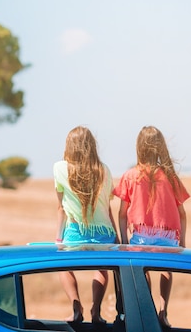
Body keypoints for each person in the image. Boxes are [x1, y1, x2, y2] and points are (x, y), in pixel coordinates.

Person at [114, 125, 189, 328]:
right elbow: (182, 214)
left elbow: (122, 214)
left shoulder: (131, 176)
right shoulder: (171, 177)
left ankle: (147, 311)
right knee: (166, 270)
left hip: (141, 236)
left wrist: (123, 241)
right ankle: (163, 310)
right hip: (168, 237)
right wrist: (182, 241)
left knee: (142, 271)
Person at [53, 126, 119, 324]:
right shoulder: (104, 169)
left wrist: (58, 238)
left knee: (63, 266)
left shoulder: (59, 168)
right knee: (102, 268)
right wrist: (116, 235)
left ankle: (76, 308)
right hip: (104, 232)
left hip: (75, 232)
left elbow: (60, 208)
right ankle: (96, 311)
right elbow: (107, 208)